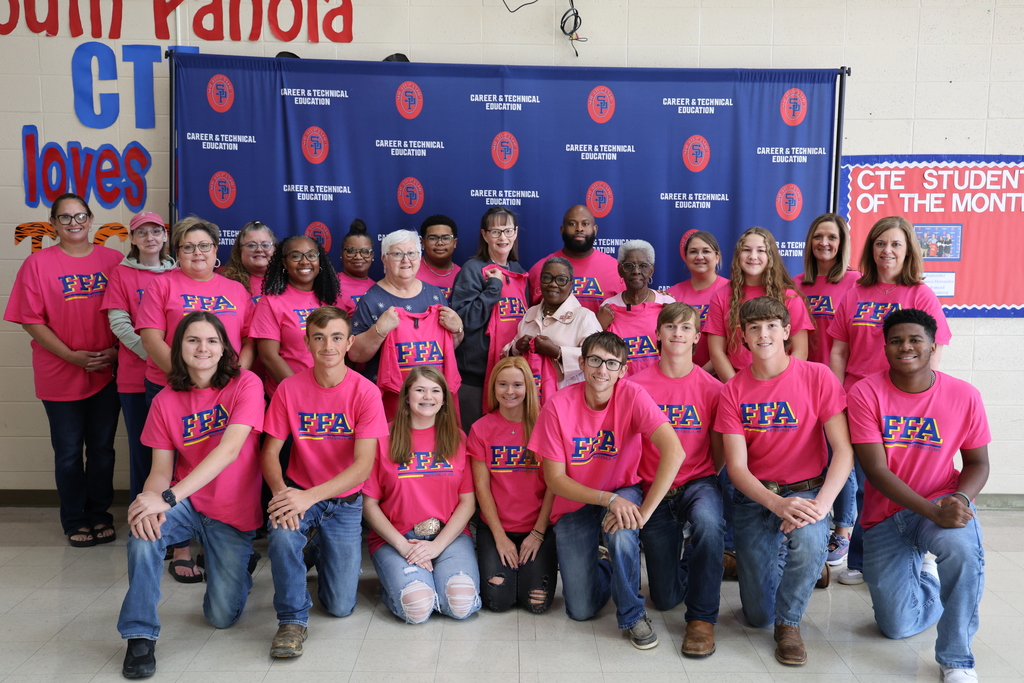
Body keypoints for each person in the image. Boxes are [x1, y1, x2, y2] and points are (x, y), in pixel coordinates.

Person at [118, 312, 265, 679]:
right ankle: (139, 636)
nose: (203, 348)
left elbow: (229, 450)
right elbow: (160, 472)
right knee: (143, 532)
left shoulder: (245, 384)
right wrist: (149, 503)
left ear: (224, 348)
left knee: (221, 617)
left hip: (231, 510)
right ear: (179, 348)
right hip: (186, 504)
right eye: (193, 340)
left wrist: (165, 499)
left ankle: (238, 565)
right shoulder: (165, 401)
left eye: (212, 340)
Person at [848, 309, 989, 683]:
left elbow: (978, 463)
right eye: (896, 341)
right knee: (895, 626)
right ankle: (930, 581)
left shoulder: (964, 395)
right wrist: (931, 511)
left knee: (962, 552)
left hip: (943, 501)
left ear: (932, 346)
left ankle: (957, 658)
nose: (905, 347)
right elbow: (876, 471)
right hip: (886, 515)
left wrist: (958, 501)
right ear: (885, 347)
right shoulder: (864, 392)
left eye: (915, 340)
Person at [714, 297, 853, 666]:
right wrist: (776, 505)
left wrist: (820, 509)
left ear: (787, 331)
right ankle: (803, 572)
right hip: (757, 497)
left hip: (807, 491)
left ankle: (789, 623)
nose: (764, 334)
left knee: (807, 544)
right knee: (756, 615)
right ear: (742, 335)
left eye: (772, 325)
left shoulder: (817, 376)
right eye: (754, 327)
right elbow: (737, 469)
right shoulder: (733, 391)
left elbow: (843, 451)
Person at [531, 331, 684, 649]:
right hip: (575, 498)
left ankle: (633, 615)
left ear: (623, 369)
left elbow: (674, 451)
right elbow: (555, 480)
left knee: (623, 526)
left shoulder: (633, 395)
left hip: (622, 488)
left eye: (612, 363)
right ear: (583, 364)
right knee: (581, 610)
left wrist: (643, 512)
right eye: (596, 361)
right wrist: (606, 499)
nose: (603, 370)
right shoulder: (558, 406)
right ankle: (608, 565)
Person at [828, 215, 951, 586]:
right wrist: (835, 397)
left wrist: (920, 395)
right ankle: (863, 560)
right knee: (868, 483)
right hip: (858, 399)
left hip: (900, 403)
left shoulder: (920, 294)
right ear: (871, 249)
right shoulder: (854, 292)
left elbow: (936, 347)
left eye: (896, 244)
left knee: (905, 478)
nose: (887, 251)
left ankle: (920, 550)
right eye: (881, 244)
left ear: (908, 249)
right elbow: (838, 351)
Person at [261, 306, 388, 658]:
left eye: (335, 337)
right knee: (283, 532)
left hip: (344, 504)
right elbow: (269, 453)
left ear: (349, 343)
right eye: (318, 337)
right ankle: (291, 621)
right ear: (306, 342)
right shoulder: (289, 389)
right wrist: (283, 494)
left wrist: (307, 498)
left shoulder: (365, 392)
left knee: (339, 605)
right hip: (299, 493)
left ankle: (310, 550)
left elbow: (363, 467)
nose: (327, 345)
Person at [136, 216, 255, 581]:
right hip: (172, 386)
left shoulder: (235, 289)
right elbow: (151, 337)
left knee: (222, 461)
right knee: (171, 466)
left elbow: (249, 339)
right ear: (177, 252)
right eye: (187, 247)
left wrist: (232, 378)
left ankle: (222, 543)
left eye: (204, 246)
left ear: (216, 251)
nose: (196, 252)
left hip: (226, 388)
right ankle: (182, 545)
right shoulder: (161, 286)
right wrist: (184, 375)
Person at [4, 192, 122, 547]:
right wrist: (71, 356)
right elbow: (30, 321)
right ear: (53, 224)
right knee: (69, 451)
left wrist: (116, 352)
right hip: (59, 372)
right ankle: (74, 519)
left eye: (81, 216)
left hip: (107, 370)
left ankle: (100, 514)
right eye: (66, 217)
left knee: (102, 448)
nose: (74, 223)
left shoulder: (114, 260)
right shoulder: (37, 265)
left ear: (91, 219)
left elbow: (131, 314)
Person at [631, 303, 725, 658]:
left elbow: (718, 452)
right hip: (653, 489)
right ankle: (709, 562)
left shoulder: (712, 388)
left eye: (686, 328)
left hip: (698, 481)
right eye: (670, 327)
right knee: (666, 598)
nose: (677, 334)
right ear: (657, 334)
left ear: (698, 338)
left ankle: (702, 620)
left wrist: (701, 477)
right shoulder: (636, 385)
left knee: (708, 522)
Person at [361, 366, 482, 624]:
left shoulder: (458, 439)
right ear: (407, 395)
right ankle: (405, 587)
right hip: (398, 538)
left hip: (449, 537)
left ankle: (434, 581)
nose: (428, 396)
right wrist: (404, 546)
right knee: (417, 608)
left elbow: (467, 502)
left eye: (435, 390)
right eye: (420, 390)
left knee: (460, 604)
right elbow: (369, 504)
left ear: (444, 399)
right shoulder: (384, 437)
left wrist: (437, 546)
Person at [796, 213, 860, 566]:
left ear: (842, 242)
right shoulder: (796, 284)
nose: (824, 243)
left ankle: (843, 530)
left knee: (843, 456)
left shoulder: (856, 283)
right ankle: (814, 520)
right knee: (816, 455)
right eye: (818, 236)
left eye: (832, 237)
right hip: (803, 384)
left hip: (839, 383)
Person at [469, 356, 557, 614]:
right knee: (498, 601)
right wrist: (499, 537)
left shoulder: (546, 425)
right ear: (493, 388)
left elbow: (554, 485)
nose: (509, 392)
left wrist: (538, 533)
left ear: (529, 387)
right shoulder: (480, 429)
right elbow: (481, 487)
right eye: (502, 384)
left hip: (538, 527)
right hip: (496, 527)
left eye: (517, 385)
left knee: (536, 603)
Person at [347, 229, 464, 417]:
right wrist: (378, 332)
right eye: (397, 254)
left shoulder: (435, 295)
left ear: (419, 257)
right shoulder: (370, 300)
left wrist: (458, 329)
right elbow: (355, 355)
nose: (405, 260)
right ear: (384, 259)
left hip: (433, 402)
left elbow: (448, 346)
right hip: (392, 405)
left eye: (411, 253)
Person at [101, 211, 175, 502]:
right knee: (144, 453)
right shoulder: (122, 273)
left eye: (155, 231)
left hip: (176, 377)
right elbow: (119, 324)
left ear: (165, 236)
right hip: (137, 379)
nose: (150, 238)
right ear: (132, 239)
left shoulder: (179, 272)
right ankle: (143, 521)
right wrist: (157, 355)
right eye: (142, 232)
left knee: (179, 452)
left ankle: (178, 524)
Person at [451, 206, 528, 430]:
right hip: (476, 380)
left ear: (515, 233)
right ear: (484, 235)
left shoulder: (519, 271)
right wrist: (494, 287)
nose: (502, 237)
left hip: (510, 379)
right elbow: (465, 321)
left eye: (507, 231)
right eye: (495, 232)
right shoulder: (473, 270)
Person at [705, 226, 814, 382]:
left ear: (771, 256)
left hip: (780, 383)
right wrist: (736, 387)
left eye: (761, 251)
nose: (753, 256)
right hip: (738, 383)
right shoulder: (721, 297)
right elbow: (717, 353)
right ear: (738, 255)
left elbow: (800, 351)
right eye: (747, 250)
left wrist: (779, 384)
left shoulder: (789, 297)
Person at [250, 235, 340, 398]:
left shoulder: (329, 300)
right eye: (296, 256)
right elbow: (269, 357)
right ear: (284, 263)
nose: (305, 261)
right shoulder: (270, 302)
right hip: (291, 396)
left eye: (311, 255)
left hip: (329, 395)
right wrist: (303, 393)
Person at [509, 257, 602, 400]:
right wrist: (516, 348)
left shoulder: (584, 317)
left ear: (571, 284)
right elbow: (508, 356)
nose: (553, 284)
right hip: (529, 401)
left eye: (561, 280)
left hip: (568, 400)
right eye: (547, 278)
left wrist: (558, 352)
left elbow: (597, 360)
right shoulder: (530, 314)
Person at [597, 240, 674, 377]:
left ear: (651, 271)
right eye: (629, 266)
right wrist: (599, 325)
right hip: (622, 387)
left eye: (643, 266)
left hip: (660, 383)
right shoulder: (608, 307)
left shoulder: (666, 303)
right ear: (620, 270)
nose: (636, 271)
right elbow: (598, 351)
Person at [526, 205, 620, 312]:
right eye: (572, 224)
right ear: (562, 229)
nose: (579, 229)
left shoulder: (616, 269)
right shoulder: (540, 270)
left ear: (595, 229)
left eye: (585, 224)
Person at [666, 230, 729, 372]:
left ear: (717, 257)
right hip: (681, 376)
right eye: (693, 252)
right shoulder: (671, 295)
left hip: (723, 376)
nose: (699, 257)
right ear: (686, 257)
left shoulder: (732, 291)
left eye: (706, 251)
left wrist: (702, 375)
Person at [219, 220, 277, 304]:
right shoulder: (227, 284)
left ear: (275, 249)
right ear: (240, 250)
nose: (259, 249)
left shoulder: (289, 280)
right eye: (251, 245)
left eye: (265, 245)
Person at [417, 214, 461, 302]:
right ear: (423, 243)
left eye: (446, 238)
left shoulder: (463, 275)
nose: (440, 243)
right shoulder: (410, 271)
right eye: (433, 238)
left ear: (454, 242)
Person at [337, 219, 376, 314]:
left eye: (365, 252)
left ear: (372, 256)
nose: (358, 257)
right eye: (351, 251)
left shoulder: (377, 287)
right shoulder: (332, 284)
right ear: (341, 254)